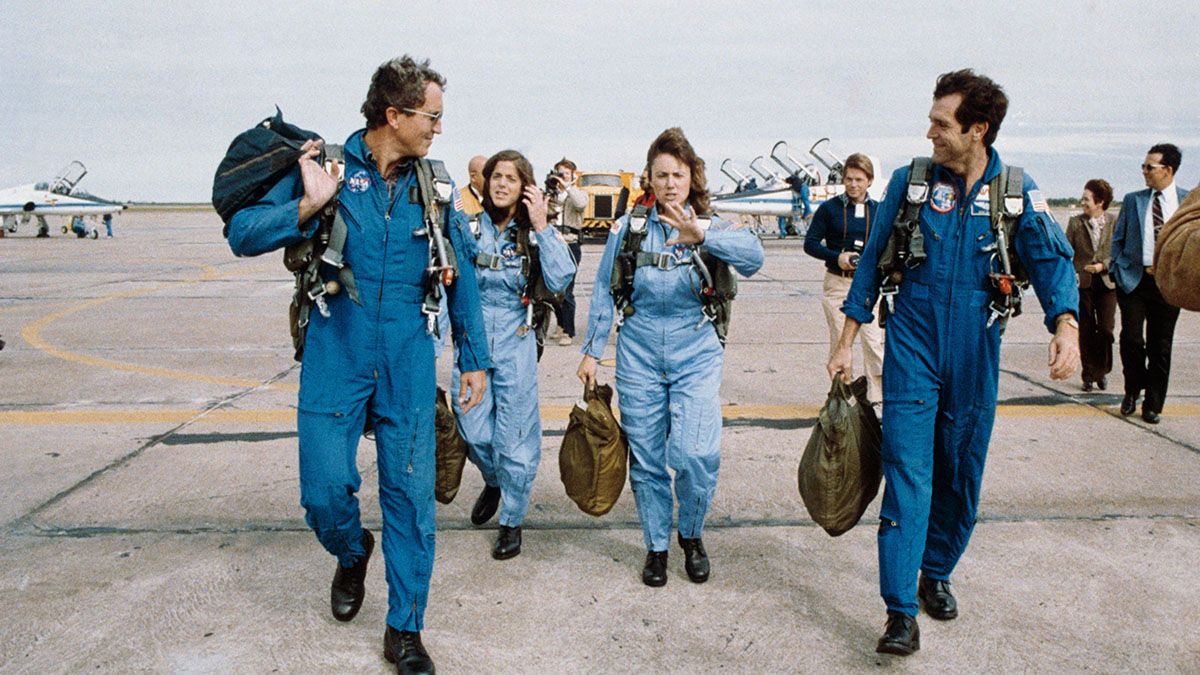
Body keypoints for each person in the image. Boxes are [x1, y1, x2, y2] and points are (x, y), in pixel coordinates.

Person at [226, 55, 491, 675]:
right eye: (432, 116)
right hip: (335, 352)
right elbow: (241, 232)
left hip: (406, 357)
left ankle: (405, 630)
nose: (439, 129)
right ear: (394, 114)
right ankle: (351, 550)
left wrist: (473, 357)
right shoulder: (326, 170)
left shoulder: (437, 187)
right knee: (323, 493)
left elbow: (463, 277)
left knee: (410, 498)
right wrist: (307, 207)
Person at [827, 69, 1079, 656]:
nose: (930, 133)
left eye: (942, 123)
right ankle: (899, 611)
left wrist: (1065, 325)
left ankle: (935, 570)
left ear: (978, 129)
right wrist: (846, 340)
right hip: (913, 343)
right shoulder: (909, 183)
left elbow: (1051, 260)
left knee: (961, 471)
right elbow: (868, 268)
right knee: (908, 469)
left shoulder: (1014, 191)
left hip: (976, 348)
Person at [577, 127, 764, 587]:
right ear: (650, 178)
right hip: (638, 352)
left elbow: (754, 258)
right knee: (647, 458)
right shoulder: (629, 228)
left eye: (677, 174)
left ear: (691, 176)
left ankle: (692, 533)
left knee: (696, 453)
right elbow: (604, 289)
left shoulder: (713, 223)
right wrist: (592, 352)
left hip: (695, 350)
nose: (669, 183)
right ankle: (656, 545)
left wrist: (703, 235)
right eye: (661, 175)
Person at [451, 149, 576, 559]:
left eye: (511, 177)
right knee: (472, 429)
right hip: (472, 340)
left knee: (515, 439)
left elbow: (560, 279)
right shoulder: (468, 227)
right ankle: (494, 480)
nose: (502, 184)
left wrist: (540, 224)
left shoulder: (534, 234)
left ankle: (511, 521)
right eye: (495, 176)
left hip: (516, 338)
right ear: (485, 183)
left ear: (525, 187)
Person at [1110, 144, 1187, 424]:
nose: (1144, 171)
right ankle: (1133, 388)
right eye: (1143, 166)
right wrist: (1115, 267)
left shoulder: (1188, 201)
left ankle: (1153, 404)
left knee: (1160, 345)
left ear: (1167, 170)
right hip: (1134, 280)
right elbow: (1118, 238)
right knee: (1131, 338)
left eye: (1149, 167)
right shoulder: (1134, 200)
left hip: (1168, 284)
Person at [804, 153, 884, 403]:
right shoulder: (829, 209)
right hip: (838, 282)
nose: (853, 185)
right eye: (848, 179)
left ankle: (879, 399)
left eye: (859, 180)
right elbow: (810, 244)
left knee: (874, 344)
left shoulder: (878, 211)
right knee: (840, 342)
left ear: (869, 181)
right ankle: (843, 397)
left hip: (868, 286)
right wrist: (836, 256)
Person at [1065, 179, 1117, 392]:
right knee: (1086, 329)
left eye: (1087, 199)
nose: (1082, 202)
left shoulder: (1114, 222)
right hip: (1083, 284)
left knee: (1105, 329)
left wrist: (1102, 266)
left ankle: (1102, 371)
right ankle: (1088, 374)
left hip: (1107, 283)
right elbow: (1067, 251)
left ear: (1100, 201)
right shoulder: (1076, 223)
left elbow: (1121, 252)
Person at [547, 158, 587, 346]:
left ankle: (568, 332)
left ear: (573, 175)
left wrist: (568, 187)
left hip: (570, 244)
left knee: (567, 290)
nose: (561, 177)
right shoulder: (553, 195)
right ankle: (561, 325)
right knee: (554, 289)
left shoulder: (578, 194)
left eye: (565, 173)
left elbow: (580, 204)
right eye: (559, 173)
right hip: (555, 244)